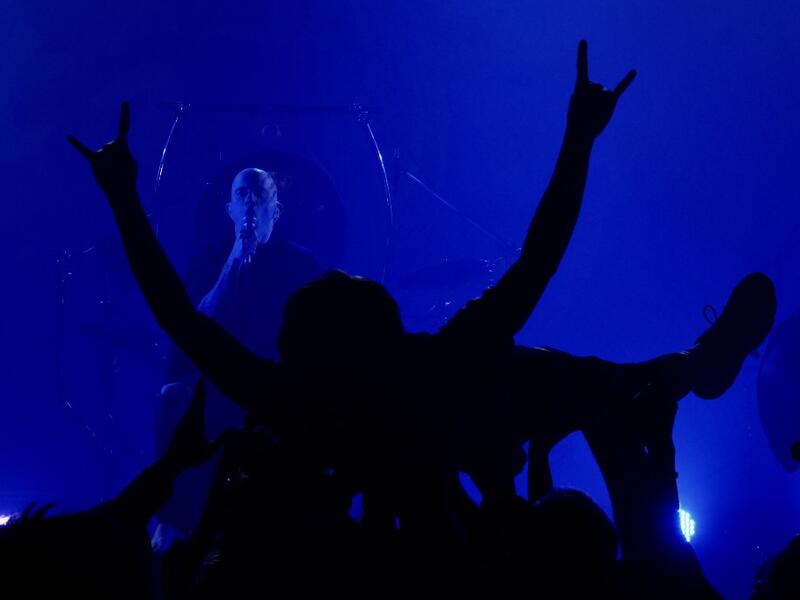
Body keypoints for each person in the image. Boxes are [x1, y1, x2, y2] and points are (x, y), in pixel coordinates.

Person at [154, 166, 322, 541]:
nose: (249, 202)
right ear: (229, 208)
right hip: (216, 383)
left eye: (259, 194)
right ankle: (172, 521)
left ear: (276, 209)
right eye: (241, 194)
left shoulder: (301, 265)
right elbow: (193, 325)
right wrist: (238, 253)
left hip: (274, 384)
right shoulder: (207, 259)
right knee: (173, 397)